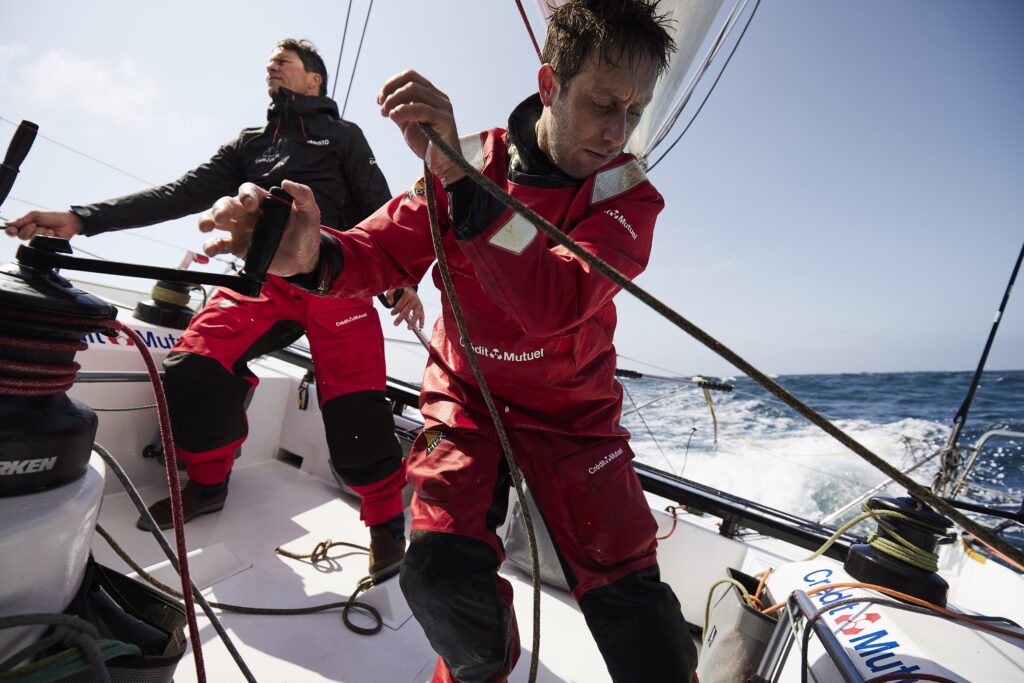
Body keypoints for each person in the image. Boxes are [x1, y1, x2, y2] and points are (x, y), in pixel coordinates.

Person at [196, 2, 698, 680]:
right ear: (551, 86)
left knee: (640, 615)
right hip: (467, 400)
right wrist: (311, 252)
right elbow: (376, 252)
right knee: (433, 570)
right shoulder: (467, 161)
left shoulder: (628, 198)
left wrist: (469, 190)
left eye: (633, 113)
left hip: (575, 414)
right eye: (603, 104)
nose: (617, 132)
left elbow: (556, 297)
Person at [4, 38, 422, 581]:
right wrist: (82, 218)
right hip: (262, 282)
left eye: (286, 60)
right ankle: (210, 482)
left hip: (336, 284)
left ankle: (387, 527)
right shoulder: (250, 144)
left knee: (355, 409)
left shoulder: (343, 136)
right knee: (192, 366)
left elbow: (379, 210)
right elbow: (179, 193)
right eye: (269, 60)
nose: (271, 64)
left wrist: (401, 282)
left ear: (315, 81)